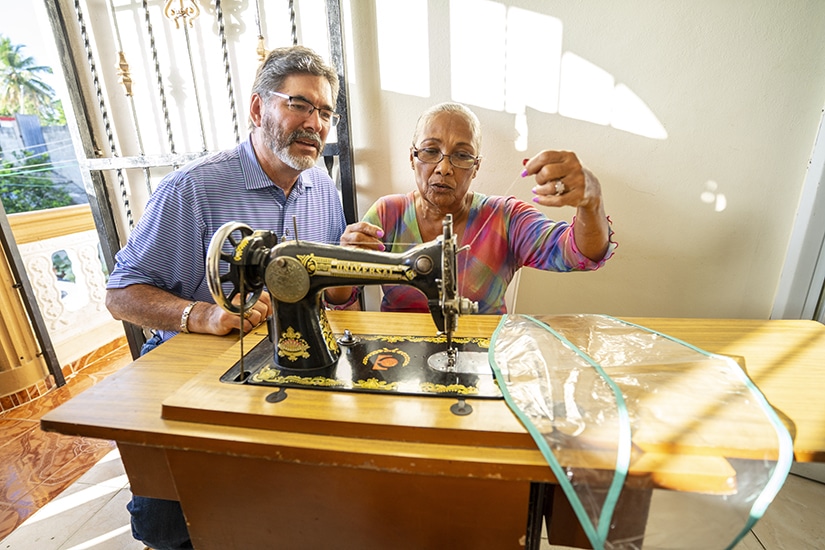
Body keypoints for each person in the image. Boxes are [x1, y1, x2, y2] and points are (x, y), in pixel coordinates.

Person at [105, 45, 353, 550]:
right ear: (258, 108)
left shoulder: (322, 189)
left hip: (281, 362)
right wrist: (201, 315)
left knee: (303, 503)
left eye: (325, 112)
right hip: (193, 365)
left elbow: (331, 289)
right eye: (300, 104)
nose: (315, 123)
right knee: (166, 526)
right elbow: (120, 294)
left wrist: (352, 262)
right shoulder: (193, 189)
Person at [341, 102, 615, 313]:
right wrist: (345, 261)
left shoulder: (506, 219)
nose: (444, 168)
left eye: (461, 155)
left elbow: (579, 252)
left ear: (476, 167)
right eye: (431, 151)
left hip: (480, 358)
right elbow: (342, 296)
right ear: (413, 158)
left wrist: (591, 202)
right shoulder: (387, 214)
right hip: (398, 357)